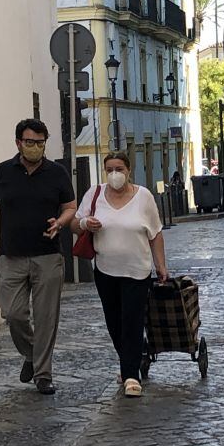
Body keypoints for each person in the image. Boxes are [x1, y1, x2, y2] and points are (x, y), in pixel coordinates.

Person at [0, 119, 76, 394]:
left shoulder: (57, 173)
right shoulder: (2, 172)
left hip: (47, 257)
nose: (35, 148)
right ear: (18, 142)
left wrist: (61, 221)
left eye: (40, 143)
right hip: (11, 256)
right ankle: (31, 354)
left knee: (46, 318)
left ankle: (43, 374)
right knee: (13, 313)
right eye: (30, 142)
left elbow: (70, 206)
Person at [71, 153, 168, 398]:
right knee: (114, 322)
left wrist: (161, 266)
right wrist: (85, 225)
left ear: (128, 170)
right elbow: (74, 223)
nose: (115, 173)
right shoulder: (94, 194)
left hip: (137, 271)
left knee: (132, 321)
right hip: (105, 270)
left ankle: (131, 375)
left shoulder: (143, 197)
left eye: (119, 168)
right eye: (110, 169)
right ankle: (134, 357)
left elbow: (155, 233)